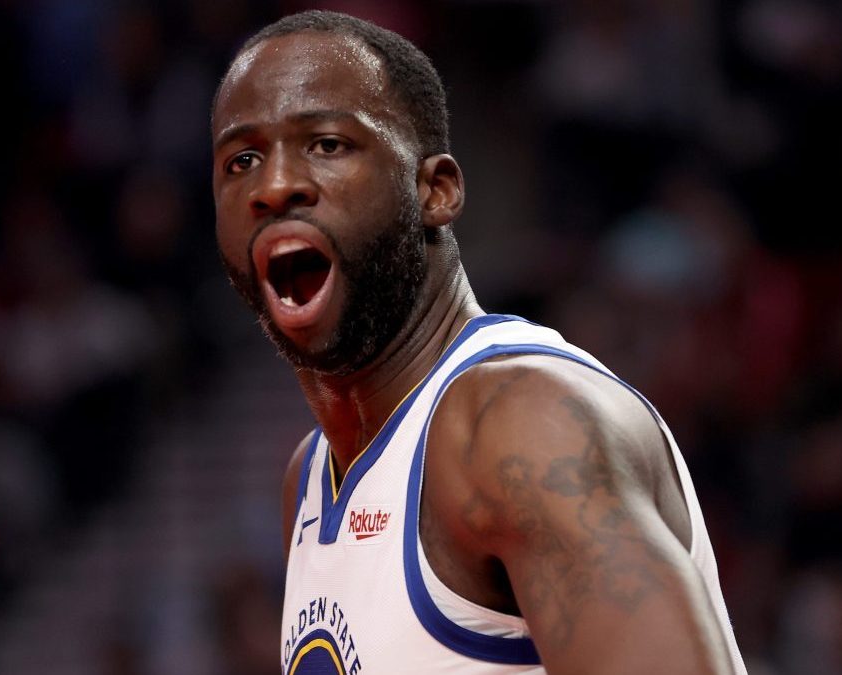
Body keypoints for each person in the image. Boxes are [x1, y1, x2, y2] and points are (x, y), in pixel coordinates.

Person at [211, 10, 747, 674]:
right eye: (241, 160)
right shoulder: (310, 478)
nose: (273, 186)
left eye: (326, 144)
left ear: (435, 191)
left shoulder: (522, 425)